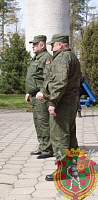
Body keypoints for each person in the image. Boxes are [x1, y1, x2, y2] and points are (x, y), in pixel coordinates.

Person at [43, 34, 81, 181]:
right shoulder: (72, 57)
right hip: (70, 101)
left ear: (60, 45)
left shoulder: (62, 58)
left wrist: (52, 102)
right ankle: (73, 168)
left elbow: (60, 82)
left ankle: (63, 171)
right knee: (70, 137)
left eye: (53, 45)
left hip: (62, 103)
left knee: (59, 138)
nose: (51, 48)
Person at [25, 35, 53, 159]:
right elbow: (33, 77)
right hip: (34, 95)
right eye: (33, 44)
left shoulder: (46, 58)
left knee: (43, 122)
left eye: (35, 44)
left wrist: (42, 91)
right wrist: (28, 92)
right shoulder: (36, 58)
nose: (33, 46)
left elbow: (49, 77)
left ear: (42, 45)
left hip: (41, 96)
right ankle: (42, 145)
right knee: (38, 122)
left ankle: (47, 149)